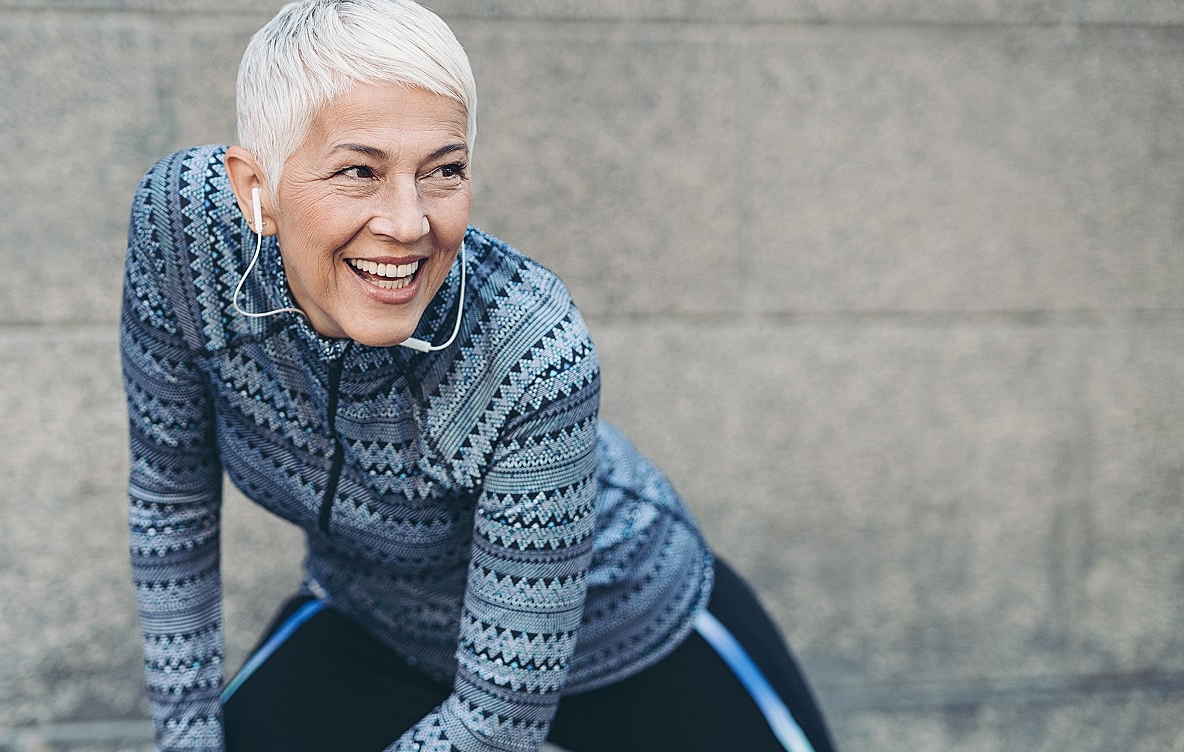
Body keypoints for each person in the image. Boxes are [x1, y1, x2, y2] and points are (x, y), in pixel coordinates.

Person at [120, 1, 838, 750]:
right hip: (376, 623)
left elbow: (495, 725)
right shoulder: (184, 234)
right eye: (358, 171)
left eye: (444, 171)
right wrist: (185, 737)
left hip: (626, 628)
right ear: (253, 188)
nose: (406, 222)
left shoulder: (530, 347)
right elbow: (171, 496)